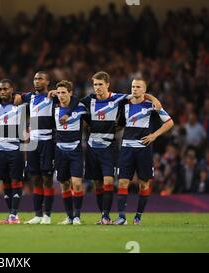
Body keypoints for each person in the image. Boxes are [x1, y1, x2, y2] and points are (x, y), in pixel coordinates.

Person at [61, 71, 162, 224]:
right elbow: (75, 102)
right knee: (98, 184)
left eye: (100, 84)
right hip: (92, 147)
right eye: (95, 85)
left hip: (109, 146)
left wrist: (152, 98)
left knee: (109, 181)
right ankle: (104, 216)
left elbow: (137, 95)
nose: (97, 88)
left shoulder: (117, 98)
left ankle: (107, 216)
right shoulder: (89, 99)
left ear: (107, 85)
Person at [114, 78, 174, 225]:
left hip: (144, 149)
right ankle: (121, 217)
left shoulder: (151, 105)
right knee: (122, 182)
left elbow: (170, 122)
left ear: (144, 90)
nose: (134, 89)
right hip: (127, 148)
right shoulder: (125, 105)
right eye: (133, 86)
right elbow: (120, 125)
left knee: (144, 184)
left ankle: (138, 217)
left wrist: (154, 135)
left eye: (138, 87)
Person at [23, 71, 58, 225]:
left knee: (47, 179)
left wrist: (57, 93)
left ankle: (47, 215)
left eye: (40, 79)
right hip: (32, 142)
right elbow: (13, 93)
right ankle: (37, 214)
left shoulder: (53, 97)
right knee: (35, 178)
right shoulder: (30, 97)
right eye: (35, 79)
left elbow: (71, 98)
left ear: (47, 82)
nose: (37, 81)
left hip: (47, 141)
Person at [51, 80, 87, 225]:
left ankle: (77, 216)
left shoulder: (80, 108)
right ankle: (69, 216)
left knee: (77, 183)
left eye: (64, 92)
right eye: (58, 93)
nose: (61, 95)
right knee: (64, 184)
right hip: (59, 150)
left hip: (75, 150)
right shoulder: (53, 107)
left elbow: (78, 101)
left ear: (70, 93)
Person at [0, 79, 26, 224]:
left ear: (11, 89)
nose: (2, 92)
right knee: (5, 182)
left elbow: (35, 96)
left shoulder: (20, 105)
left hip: (16, 148)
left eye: (5, 89)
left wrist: (20, 94)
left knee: (16, 180)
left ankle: (14, 214)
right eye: (0, 89)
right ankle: (12, 215)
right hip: (1, 149)